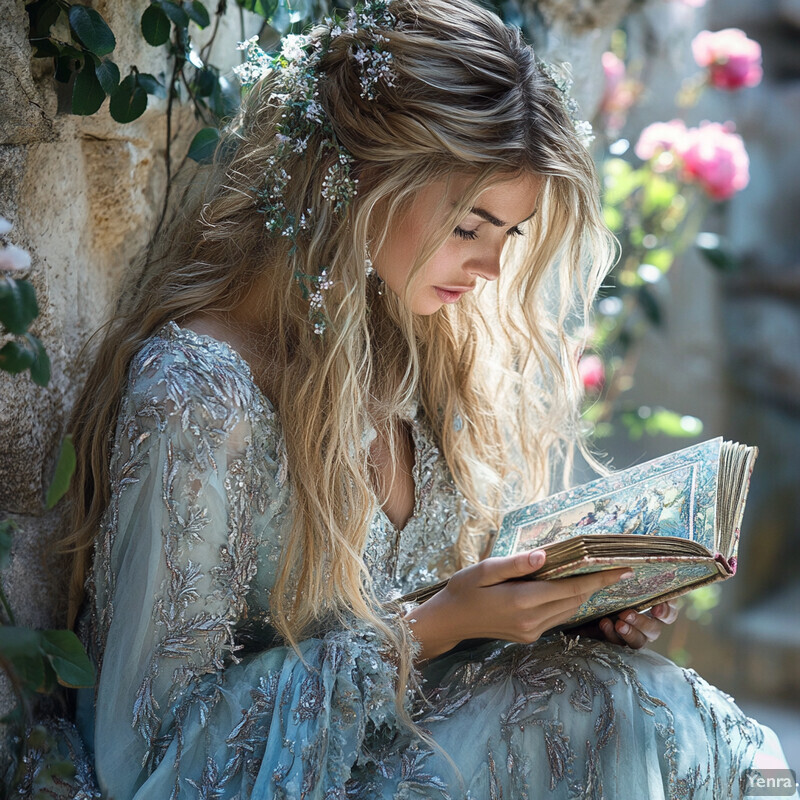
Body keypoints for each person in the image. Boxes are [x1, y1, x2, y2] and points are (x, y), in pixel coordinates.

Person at [52, 0, 795, 797]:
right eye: (471, 226)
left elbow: (460, 647)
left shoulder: (420, 356)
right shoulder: (203, 394)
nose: (489, 269)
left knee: (662, 719)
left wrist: (574, 609)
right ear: (366, 178)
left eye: (510, 235)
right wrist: (435, 627)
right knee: (629, 715)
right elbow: (149, 751)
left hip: (430, 751)